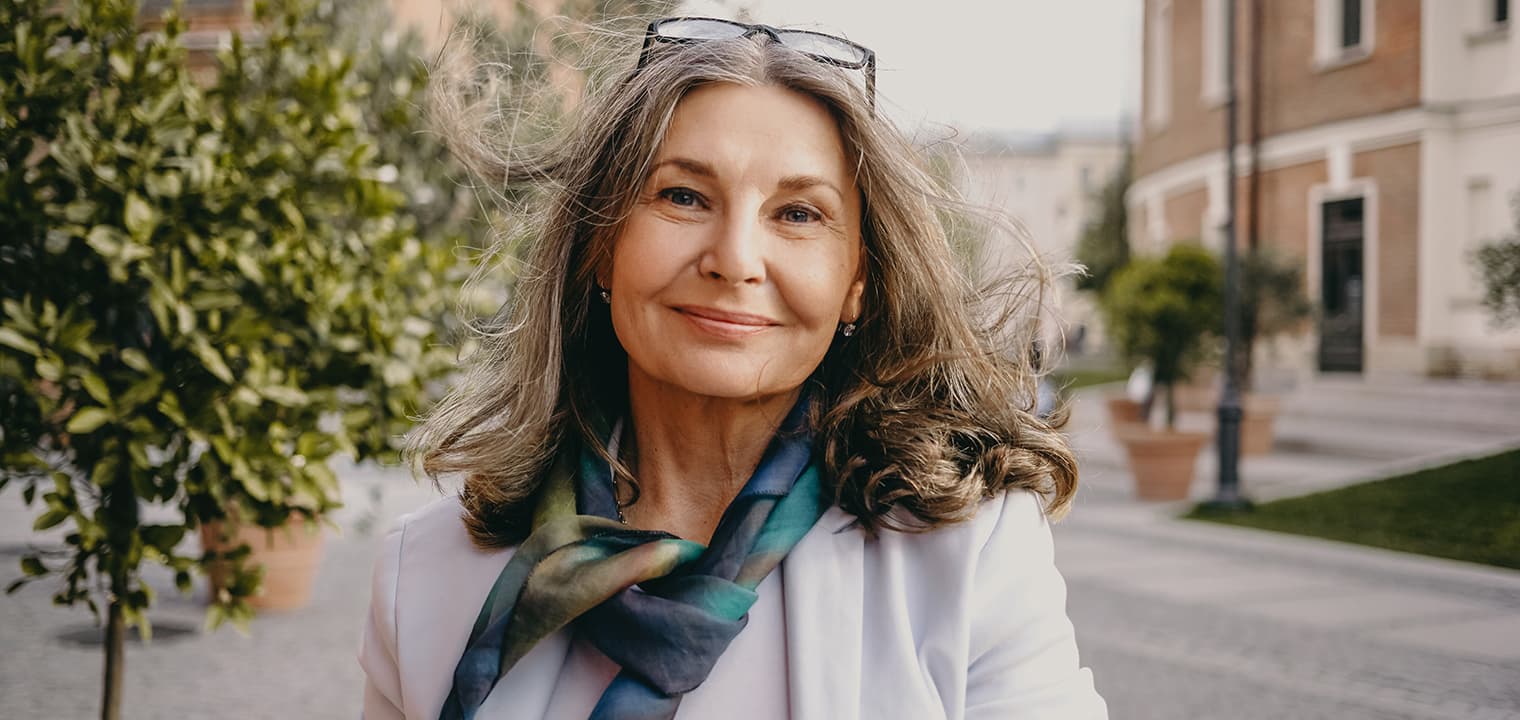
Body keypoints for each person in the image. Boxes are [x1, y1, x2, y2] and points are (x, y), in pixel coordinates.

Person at [359, 15, 1107, 720]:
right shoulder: (425, 574)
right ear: (600, 247)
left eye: (799, 214)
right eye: (683, 196)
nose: (735, 260)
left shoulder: (969, 554)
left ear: (858, 282)